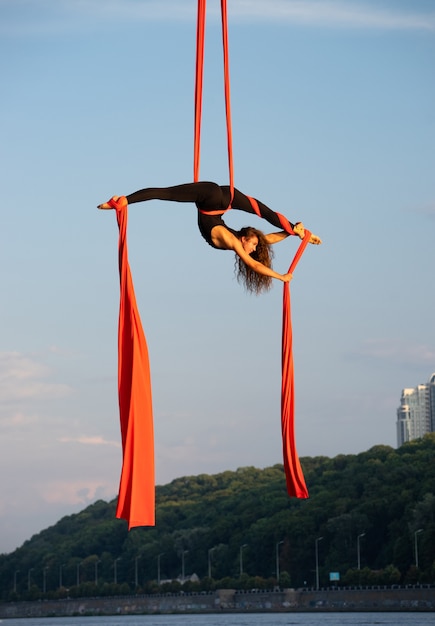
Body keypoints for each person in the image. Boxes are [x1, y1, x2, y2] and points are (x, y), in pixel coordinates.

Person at [98, 181, 321, 294]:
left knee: (261, 211)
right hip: (212, 197)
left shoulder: (237, 237)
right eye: (252, 244)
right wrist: (280, 277)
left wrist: (296, 236)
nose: (253, 248)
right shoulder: (234, 241)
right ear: (244, 238)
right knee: (166, 194)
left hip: (228, 196)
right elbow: (252, 263)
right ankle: (124, 200)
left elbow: (268, 239)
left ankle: (294, 227)